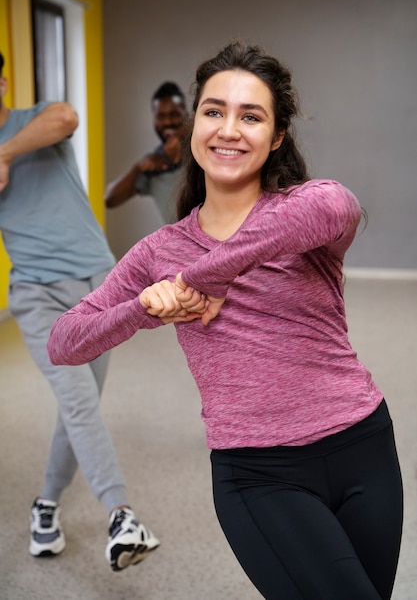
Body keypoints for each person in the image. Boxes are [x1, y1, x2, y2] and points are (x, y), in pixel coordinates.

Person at [47, 41, 403, 599]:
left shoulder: (300, 213)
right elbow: (64, 342)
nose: (229, 129)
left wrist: (202, 278)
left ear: (277, 135)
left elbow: (338, 204)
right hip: (260, 474)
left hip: (365, 447)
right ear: (195, 124)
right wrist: (143, 308)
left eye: (251, 115)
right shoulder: (158, 251)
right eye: (214, 111)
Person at [0, 52, 159, 572]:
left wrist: (1, 154)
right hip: (37, 294)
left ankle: (45, 505)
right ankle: (122, 515)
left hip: (98, 284)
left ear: (2, 83)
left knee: (80, 406)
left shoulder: (37, 122)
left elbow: (67, 117)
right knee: (79, 400)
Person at [105, 81, 188, 223]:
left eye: (174, 114)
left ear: (186, 114)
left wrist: (180, 136)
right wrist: (138, 168)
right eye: (161, 116)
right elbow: (110, 199)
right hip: (180, 244)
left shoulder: (203, 148)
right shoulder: (154, 164)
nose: (167, 122)